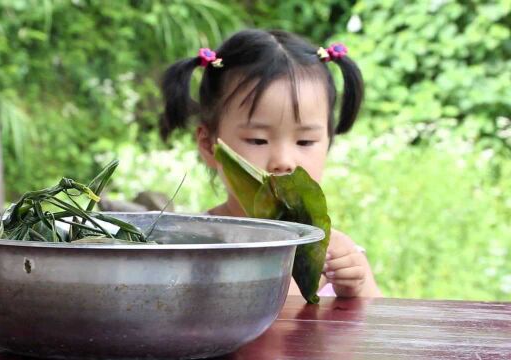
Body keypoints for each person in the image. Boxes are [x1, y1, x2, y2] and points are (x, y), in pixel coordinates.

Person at [158, 29, 382, 298]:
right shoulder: (193, 246)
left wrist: (356, 289)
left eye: (305, 142)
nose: (283, 162)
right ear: (210, 145)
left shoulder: (336, 251)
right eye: (257, 140)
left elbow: (381, 327)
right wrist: (292, 292)